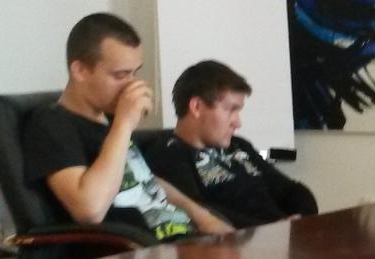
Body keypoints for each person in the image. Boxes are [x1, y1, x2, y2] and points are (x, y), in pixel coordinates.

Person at [23, 14, 230, 242]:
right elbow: (89, 210)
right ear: (80, 70)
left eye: (134, 72)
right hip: (136, 249)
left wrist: (203, 217)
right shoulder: (51, 123)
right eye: (120, 75)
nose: (131, 85)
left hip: (182, 237)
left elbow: (145, 181)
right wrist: (124, 124)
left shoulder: (110, 117)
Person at [142, 60, 317, 229]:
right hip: (238, 244)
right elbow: (201, 214)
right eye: (231, 109)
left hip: (281, 236)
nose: (237, 123)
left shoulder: (239, 146)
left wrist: (300, 220)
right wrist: (272, 229)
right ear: (196, 107)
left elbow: (291, 191)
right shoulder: (169, 153)